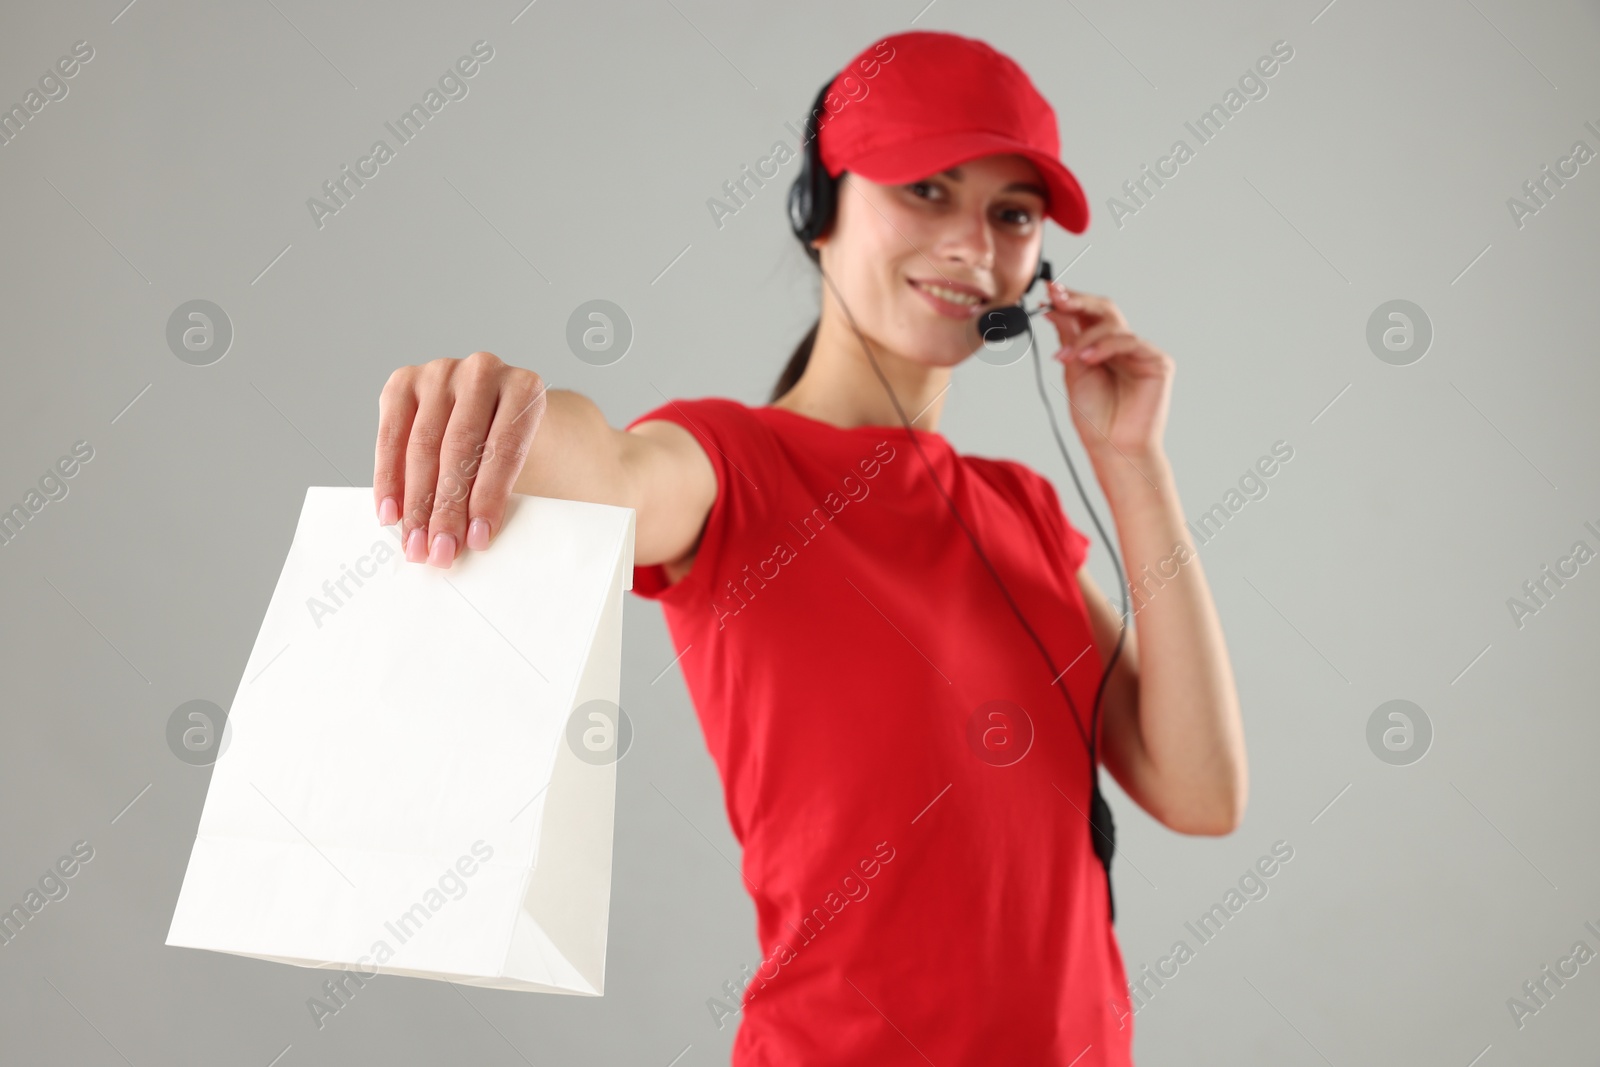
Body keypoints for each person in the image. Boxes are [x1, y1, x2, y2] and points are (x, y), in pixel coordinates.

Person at [371, 29, 1245, 1067]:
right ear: (817, 212)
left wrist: (1132, 464)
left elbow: (1198, 789)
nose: (973, 243)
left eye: (1011, 215)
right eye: (927, 190)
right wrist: (504, 403)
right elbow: (599, 472)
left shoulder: (1017, 507)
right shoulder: (731, 463)